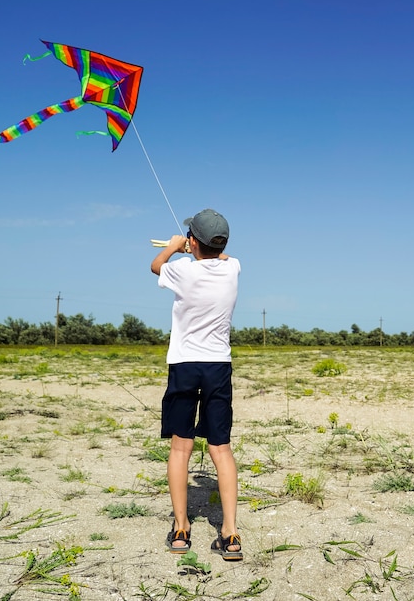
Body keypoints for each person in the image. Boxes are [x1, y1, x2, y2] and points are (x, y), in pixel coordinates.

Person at [150, 208, 243, 561]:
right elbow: (225, 257)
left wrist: (174, 247)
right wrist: (198, 247)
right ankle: (230, 534)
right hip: (218, 365)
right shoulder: (233, 269)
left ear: (193, 241)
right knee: (221, 448)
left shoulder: (181, 270)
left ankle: (181, 529)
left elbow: (155, 266)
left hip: (185, 365)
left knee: (180, 447)